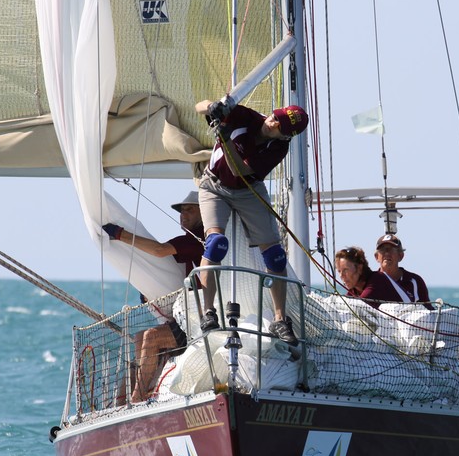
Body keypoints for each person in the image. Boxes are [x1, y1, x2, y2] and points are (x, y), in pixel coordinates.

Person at [194, 98, 308, 346]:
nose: (272, 123)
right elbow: (198, 106)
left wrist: (225, 140)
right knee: (215, 245)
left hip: (248, 189)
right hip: (214, 186)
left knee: (276, 256)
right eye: (275, 116)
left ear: (287, 137)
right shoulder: (243, 116)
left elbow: (240, 172)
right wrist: (212, 107)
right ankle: (208, 311)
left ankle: (280, 318)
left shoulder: (278, 149)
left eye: (280, 126)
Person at [102, 192, 204, 401]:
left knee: (150, 338)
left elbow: (158, 250)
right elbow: (164, 266)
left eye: (190, 210)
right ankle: (122, 401)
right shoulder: (190, 243)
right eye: (181, 211)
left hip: (201, 325)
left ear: (206, 213)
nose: (183, 215)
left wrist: (121, 235)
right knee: (141, 337)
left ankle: (136, 399)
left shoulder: (196, 240)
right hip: (191, 320)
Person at [372, 234, 432, 307]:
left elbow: (428, 312)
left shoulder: (415, 281)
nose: (387, 253)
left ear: (400, 256)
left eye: (391, 249)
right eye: (383, 250)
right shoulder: (370, 283)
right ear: (376, 257)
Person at [334, 246, 400, 305]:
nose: (341, 275)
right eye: (339, 271)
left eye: (345, 270)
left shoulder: (377, 280)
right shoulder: (354, 290)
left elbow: (361, 305)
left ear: (359, 268)